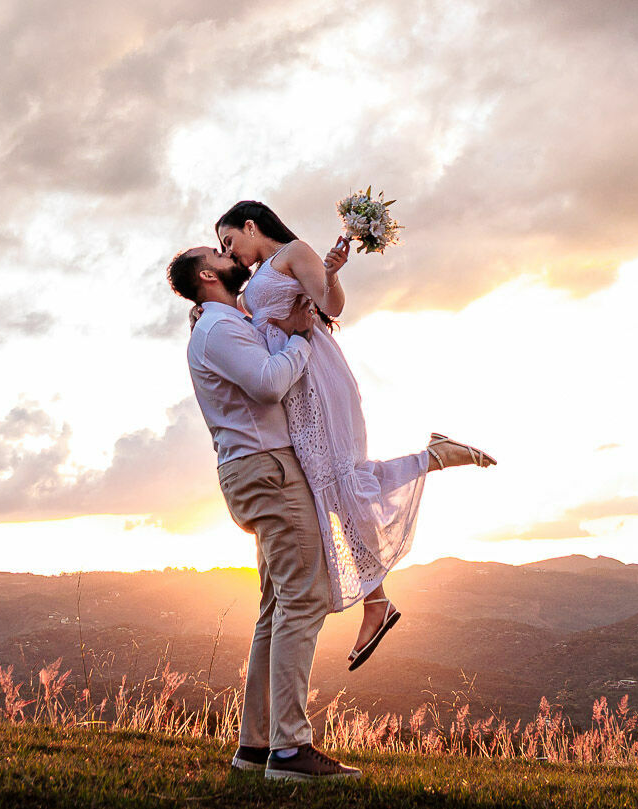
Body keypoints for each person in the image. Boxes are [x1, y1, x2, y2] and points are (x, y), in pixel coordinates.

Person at [214, 200, 495, 673]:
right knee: (332, 488)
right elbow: (251, 324)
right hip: (294, 384)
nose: (230, 252)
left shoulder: (291, 252)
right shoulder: (258, 278)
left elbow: (331, 307)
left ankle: (379, 593)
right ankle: (380, 593)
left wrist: (330, 274)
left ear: (250, 225)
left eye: (229, 241)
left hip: (316, 381)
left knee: (337, 483)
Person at [167, 244, 362, 783]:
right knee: (305, 597)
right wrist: (300, 338)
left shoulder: (230, 322)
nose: (230, 254)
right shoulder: (219, 330)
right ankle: (291, 748)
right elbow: (270, 384)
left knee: (277, 606)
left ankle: (255, 746)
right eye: (219, 252)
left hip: (258, 471)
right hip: (267, 471)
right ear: (208, 275)